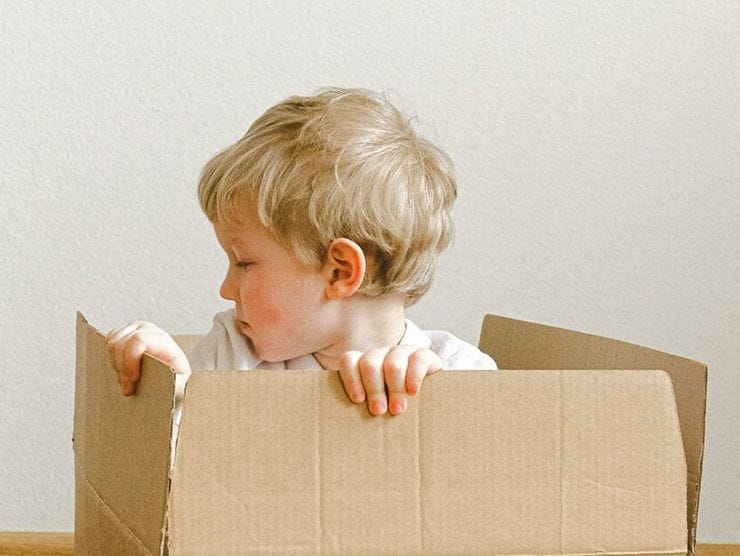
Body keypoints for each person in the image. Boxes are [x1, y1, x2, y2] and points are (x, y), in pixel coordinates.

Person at [106, 87, 496, 420]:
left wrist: (441, 399)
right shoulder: (232, 357)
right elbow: (173, 483)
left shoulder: (462, 371)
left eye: (244, 262)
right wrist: (170, 395)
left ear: (340, 272)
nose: (225, 288)